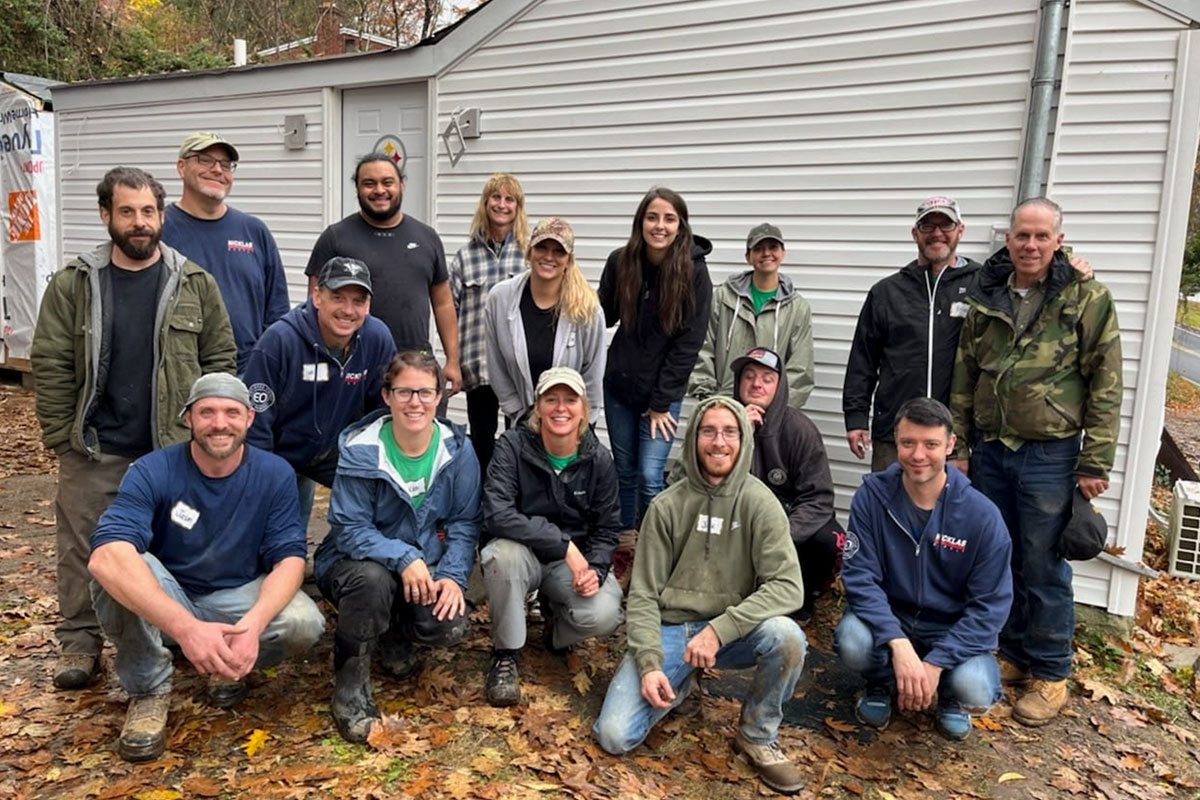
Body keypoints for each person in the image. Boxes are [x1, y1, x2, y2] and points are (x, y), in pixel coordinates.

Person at [31, 166, 237, 692]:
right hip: (96, 448)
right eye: (127, 211)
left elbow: (220, 360)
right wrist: (62, 437)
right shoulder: (75, 284)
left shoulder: (193, 281)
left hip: (170, 450)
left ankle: (171, 635)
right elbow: (52, 361)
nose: (139, 222)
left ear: (162, 216)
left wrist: (206, 431)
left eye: (148, 211)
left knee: (174, 543)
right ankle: (80, 643)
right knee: (83, 548)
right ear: (106, 215)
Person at [88, 374, 325, 762]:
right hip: (170, 594)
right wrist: (186, 628)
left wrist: (252, 627)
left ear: (249, 417)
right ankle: (149, 689)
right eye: (207, 412)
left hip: (235, 594)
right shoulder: (153, 470)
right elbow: (105, 555)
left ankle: (226, 663)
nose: (219, 423)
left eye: (231, 412)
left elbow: (290, 558)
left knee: (304, 622)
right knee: (115, 564)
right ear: (188, 418)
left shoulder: (275, 473)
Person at [950, 197, 1121, 727]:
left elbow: (1106, 381)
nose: (1030, 245)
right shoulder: (986, 297)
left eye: (1041, 236)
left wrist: (1095, 460)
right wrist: (957, 447)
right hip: (992, 449)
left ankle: (1051, 672)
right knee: (1003, 557)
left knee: (1045, 563)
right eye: (1022, 235)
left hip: (1050, 453)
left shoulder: (1085, 298)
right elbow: (965, 375)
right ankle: (1016, 654)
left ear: (1058, 241)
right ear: (1008, 238)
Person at [593, 396, 807, 796]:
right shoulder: (666, 506)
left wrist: (720, 629)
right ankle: (681, 681)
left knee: (787, 636)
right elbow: (642, 595)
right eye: (708, 431)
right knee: (614, 735)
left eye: (729, 432)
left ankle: (757, 735)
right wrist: (651, 662)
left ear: (743, 440)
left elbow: (788, 585)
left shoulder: (761, 503)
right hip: (672, 628)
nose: (719, 442)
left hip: (732, 633)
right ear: (693, 438)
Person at [843, 196, 1093, 470]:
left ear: (960, 230)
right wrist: (856, 417)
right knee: (890, 507)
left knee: (952, 510)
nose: (937, 233)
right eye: (928, 226)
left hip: (956, 437)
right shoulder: (886, 292)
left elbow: (1035, 263)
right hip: (896, 431)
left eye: (946, 225)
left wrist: (1068, 265)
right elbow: (863, 360)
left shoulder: (985, 284)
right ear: (915, 233)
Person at [314, 350, 482, 743]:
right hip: (353, 562)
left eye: (425, 392)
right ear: (387, 396)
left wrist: (455, 577)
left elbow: (464, 521)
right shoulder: (361, 448)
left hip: (424, 564)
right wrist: (404, 557)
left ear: (440, 396)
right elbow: (350, 528)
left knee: (449, 623)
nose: (415, 402)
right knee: (372, 582)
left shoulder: (457, 450)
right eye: (404, 391)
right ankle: (349, 690)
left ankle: (392, 634)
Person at [834, 397, 1012, 741]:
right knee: (853, 641)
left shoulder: (982, 517)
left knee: (974, 688)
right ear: (896, 442)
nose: (918, 455)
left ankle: (947, 696)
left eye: (931, 444)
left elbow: (990, 609)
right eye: (908, 443)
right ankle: (881, 683)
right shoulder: (872, 497)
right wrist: (899, 646)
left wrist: (934, 663)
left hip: (950, 628)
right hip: (892, 618)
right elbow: (860, 578)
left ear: (950, 445)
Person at [480, 367, 624, 706]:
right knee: (500, 557)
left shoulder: (599, 459)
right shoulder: (512, 446)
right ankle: (506, 653)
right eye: (551, 399)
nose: (561, 408)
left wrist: (596, 571)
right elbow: (496, 513)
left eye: (570, 399)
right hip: (522, 553)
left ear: (584, 409)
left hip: (568, 566)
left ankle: (556, 628)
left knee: (604, 613)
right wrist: (562, 543)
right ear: (537, 407)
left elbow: (607, 528)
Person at [242, 257, 395, 512]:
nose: (347, 310)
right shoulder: (279, 342)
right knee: (284, 529)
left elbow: (382, 412)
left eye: (358, 301)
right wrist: (263, 482)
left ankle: (348, 548)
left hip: (335, 450)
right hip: (280, 453)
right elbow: (256, 422)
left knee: (381, 501)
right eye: (337, 297)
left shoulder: (377, 338)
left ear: (368, 305)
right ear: (317, 296)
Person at [598, 188, 712, 528]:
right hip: (619, 388)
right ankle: (626, 542)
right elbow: (602, 315)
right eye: (652, 217)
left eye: (669, 218)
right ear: (640, 222)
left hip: (661, 397)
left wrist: (662, 402)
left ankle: (655, 544)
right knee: (625, 471)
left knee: (649, 475)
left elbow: (688, 344)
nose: (659, 226)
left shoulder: (694, 272)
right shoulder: (621, 262)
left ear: (681, 225)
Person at [305, 153, 462, 394]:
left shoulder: (427, 237)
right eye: (369, 183)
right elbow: (315, 306)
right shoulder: (335, 238)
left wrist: (452, 360)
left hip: (415, 363)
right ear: (357, 188)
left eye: (387, 182)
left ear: (402, 184)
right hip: (353, 366)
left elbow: (442, 303)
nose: (379, 190)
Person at [162, 131, 290, 374]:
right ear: (181, 167)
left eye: (225, 164)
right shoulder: (160, 230)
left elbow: (277, 309)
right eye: (205, 160)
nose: (218, 170)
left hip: (246, 370)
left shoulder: (254, 230)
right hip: (180, 371)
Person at [731, 347, 842, 619]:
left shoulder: (800, 429)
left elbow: (819, 499)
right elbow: (704, 482)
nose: (757, 384)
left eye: (767, 378)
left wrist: (782, 535)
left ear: (779, 386)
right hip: (736, 516)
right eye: (749, 376)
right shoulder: (722, 422)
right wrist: (739, 432)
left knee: (829, 540)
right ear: (738, 382)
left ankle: (802, 600)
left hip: (787, 519)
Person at [485, 217, 606, 426]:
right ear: (530, 251)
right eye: (541, 247)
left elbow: (593, 374)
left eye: (558, 251)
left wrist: (584, 422)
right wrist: (517, 412)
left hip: (568, 423)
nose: (549, 257)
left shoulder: (588, 308)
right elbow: (496, 365)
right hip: (520, 419)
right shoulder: (500, 299)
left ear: (569, 259)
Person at [449, 173, 529, 474]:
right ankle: (481, 504)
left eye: (510, 199)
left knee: (518, 439)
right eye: (496, 197)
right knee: (481, 440)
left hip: (516, 367)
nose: (502, 204)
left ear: (518, 207)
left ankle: (513, 504)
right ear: (485, 204)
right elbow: (450, 312)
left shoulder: (528, 255)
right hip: (478, 365)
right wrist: (453, 361)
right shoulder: (464, 257)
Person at [690, 223, 814, 408]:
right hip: (724, 407)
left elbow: (801, 367)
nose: (766, 254)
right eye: (758, 249)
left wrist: (777, 409)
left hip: (770, 412)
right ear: (748, 257)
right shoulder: (724, 298)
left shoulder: (797, 308)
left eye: (773, 247)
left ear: (783, 253)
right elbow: (703, 348)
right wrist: (711, 401)